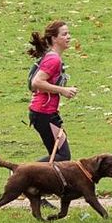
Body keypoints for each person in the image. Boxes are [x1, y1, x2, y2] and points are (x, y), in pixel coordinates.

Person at [26, 20, 79, 163]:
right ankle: (22, 174)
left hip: (46, 113)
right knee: (62, 156)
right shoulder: (53, 59)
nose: (68, 37)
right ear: (54, 38)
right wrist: (63, 90)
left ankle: (42, 183)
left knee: (59, 156)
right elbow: (36, 82)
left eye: (69, 33)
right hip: (43, 113)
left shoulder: (52, 56)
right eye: (64, 34)